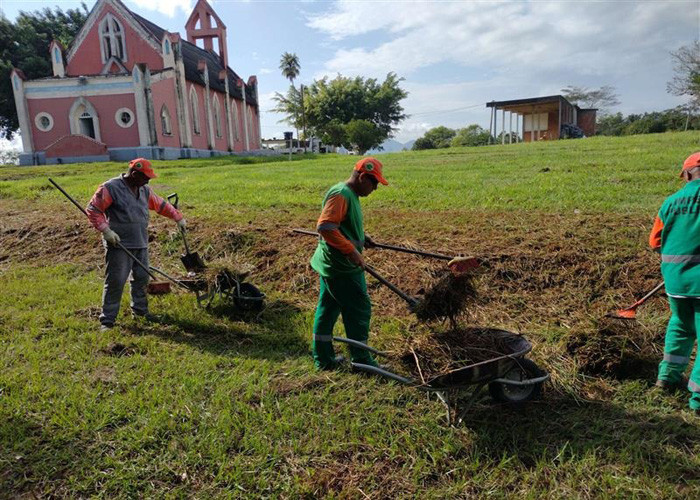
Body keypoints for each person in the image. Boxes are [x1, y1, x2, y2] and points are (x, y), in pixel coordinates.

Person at [86, 158, 186, 331]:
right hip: (119, 243)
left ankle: (140, 312)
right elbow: (93, 210)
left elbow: (160, 204)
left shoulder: (144, 190)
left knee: (141, 278)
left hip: (140, 241)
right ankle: (107, 320)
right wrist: (106, 230)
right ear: (134, 174)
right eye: (145, 177)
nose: (148, 180)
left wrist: (178, 217)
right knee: (116, 281)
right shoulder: (110, 188)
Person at [309, 157, 388, 370]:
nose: (375, 188)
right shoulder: (341, 194)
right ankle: (362, 361)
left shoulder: (348, 194)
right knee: (359, 309)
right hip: (341, 267)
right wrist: (351, 250)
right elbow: (325, 227)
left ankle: (324, 360)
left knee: (328, 309)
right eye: (375, 183)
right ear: (363, 177)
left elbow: (340, 224)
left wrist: (362, 237)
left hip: (331, 265)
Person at [649, 151, 700, 415]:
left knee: (680, 326)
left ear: (689, 173)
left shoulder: (671, 202)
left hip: (676, 282)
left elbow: (655, 242)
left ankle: (666, 379)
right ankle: (698, 400)